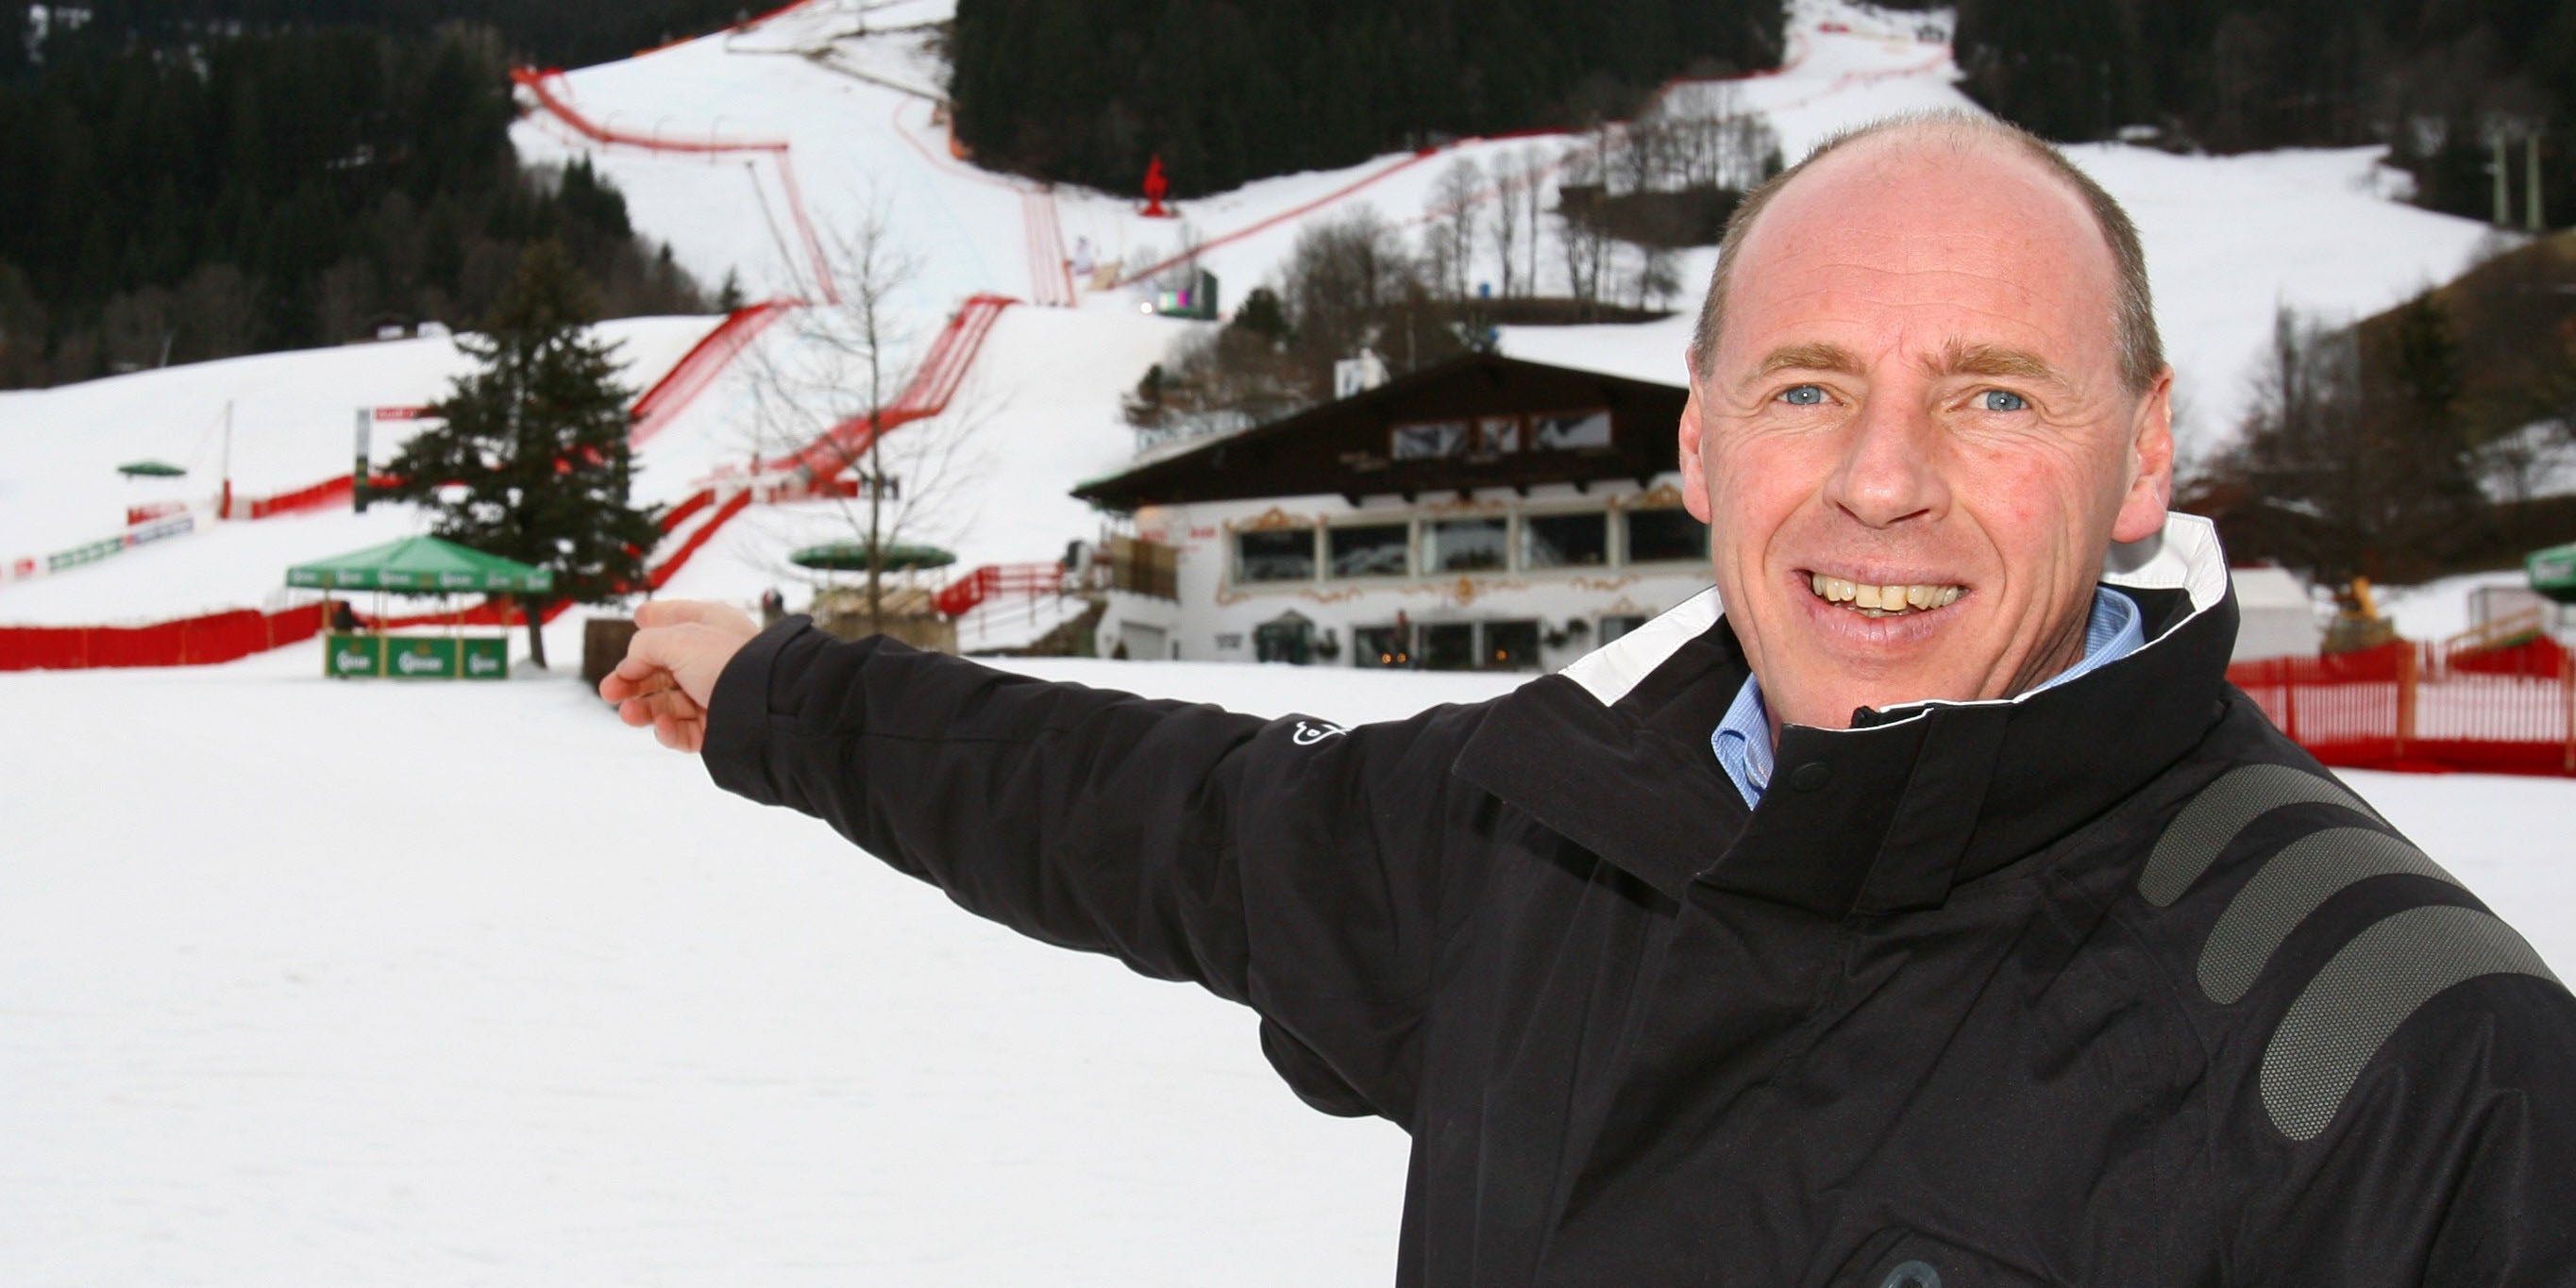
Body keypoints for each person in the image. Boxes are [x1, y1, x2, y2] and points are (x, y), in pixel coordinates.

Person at [600, 112, 2576, 1284]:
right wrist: (773, 687)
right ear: (1700, 444)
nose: (1882, 481)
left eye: (1992, 392)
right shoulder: (1537, 830)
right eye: (1806, 387)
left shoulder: (2416, 1062)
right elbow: (1136, 804)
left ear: (2142, 454)